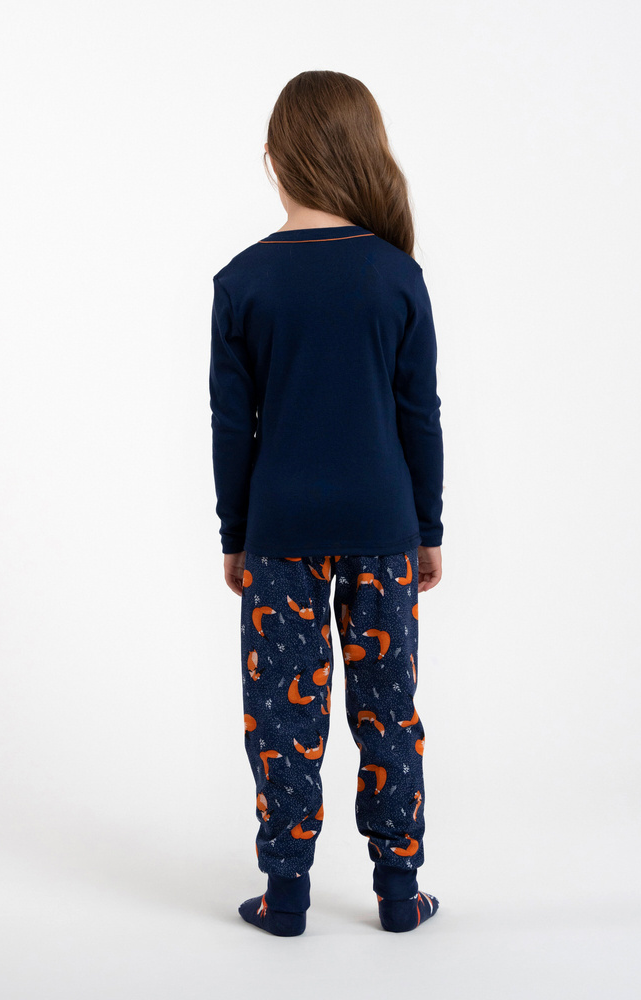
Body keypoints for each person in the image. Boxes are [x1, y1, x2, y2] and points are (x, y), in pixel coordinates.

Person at [209, 70, 444, 936]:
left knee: (282, 717)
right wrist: (427, 528)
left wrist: (235, 535)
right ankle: (398, 892)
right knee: (389, 712)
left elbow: (231, 427)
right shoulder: (395, 275)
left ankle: (285, 895)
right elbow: (418, 413)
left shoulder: (242, 282)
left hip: (280, 534)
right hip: (383, 527)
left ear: (278, 159)